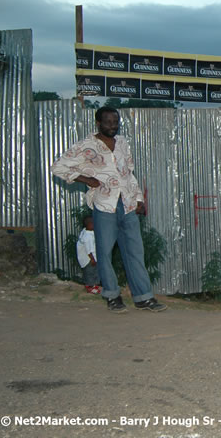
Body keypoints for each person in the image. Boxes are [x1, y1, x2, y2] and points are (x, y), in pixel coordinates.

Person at [52, 106, 167, 314]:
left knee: (135, 252)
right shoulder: (87, 146)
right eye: (108, 122)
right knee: (104, 253)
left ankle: (143, 297)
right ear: (98, 123)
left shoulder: (122, 143)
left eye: (115, 122)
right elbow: (58, 167)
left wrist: (139, 198)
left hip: (128, 203)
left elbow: (129, 173)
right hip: (105, 205)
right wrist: (86, 179)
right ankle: (112, 296)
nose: (112, 126)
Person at [77, 216, 101, 295]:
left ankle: (94, 286)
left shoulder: (85, 231)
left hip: (90, 258)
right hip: (88, 259)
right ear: (90, 224)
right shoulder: (87, 236)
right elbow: (88, 250)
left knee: (94, 272)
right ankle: (90, 287)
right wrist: (92, 259)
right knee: (90, 272)